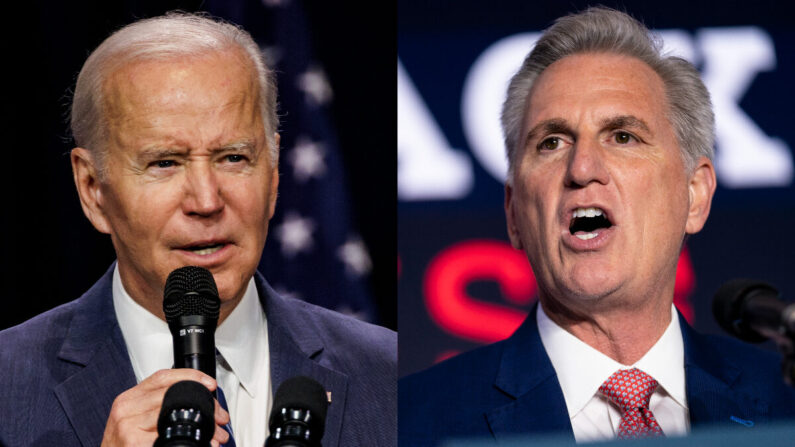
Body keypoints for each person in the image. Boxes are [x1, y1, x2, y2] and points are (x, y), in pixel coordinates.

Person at [399, 7, 795, 446]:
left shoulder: (784, 400)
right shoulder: (413, 421)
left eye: (623, 136)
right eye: (551, 142)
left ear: (695, 195)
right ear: (513, 213)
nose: (582, 168)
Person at [0, 13, 395, 447]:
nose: (206, 202)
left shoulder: (388, 375)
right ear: (93, 189)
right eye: (165, 163)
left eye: (233, 158)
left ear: (275, 172)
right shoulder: (9, 385)